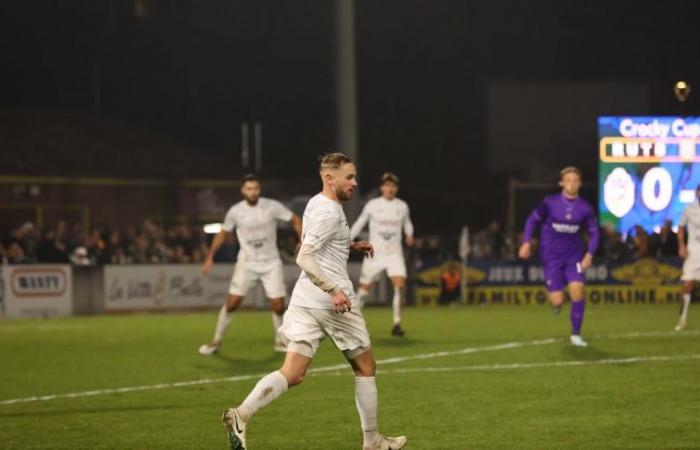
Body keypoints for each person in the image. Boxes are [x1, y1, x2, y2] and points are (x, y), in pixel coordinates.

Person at [221, 153, 406, 450]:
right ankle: (372, 442)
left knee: (292, 373)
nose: (355, 183)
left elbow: (315, 243)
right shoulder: (329, 212)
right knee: (366, 367)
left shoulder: (317, 203)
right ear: (329, 178)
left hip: (305, 299)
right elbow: (303, 255)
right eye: (350, 177)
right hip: (331, 302)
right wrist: (333, 289)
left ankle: (241, 414)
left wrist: (350, 245)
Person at [198, 174, 302, 355]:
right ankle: (215, 342)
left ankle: (280, 342)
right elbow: (223, 232)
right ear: (242, 190)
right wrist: (210, 257)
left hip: (271, 262)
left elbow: (295, 219)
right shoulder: (235, 211)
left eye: (255, 189)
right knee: (232, 304)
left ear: (259, 190)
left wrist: (303, 240)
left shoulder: (271, 206)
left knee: (278, 304)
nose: (253, 192)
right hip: (247, 263)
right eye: (249, 189)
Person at [518, 166, 599, 347]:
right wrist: (526, 242)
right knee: (557, 299)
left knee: (577, 289)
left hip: (574, 256)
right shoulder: (550, 202)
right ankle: (555, 303)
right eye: (568, 180)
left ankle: (576, 335)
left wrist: (589, 254)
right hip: (551, 255)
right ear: (561, 183)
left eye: (575, 180)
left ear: (580, 183)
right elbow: (532, 220)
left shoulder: (585, 208)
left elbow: (594, 233)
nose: (571, 183)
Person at [350, 172, 414, 336]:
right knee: (364, 289)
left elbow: (407, 223)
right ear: (382, 188)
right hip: (375, 253)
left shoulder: (402, 206)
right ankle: (351, 323)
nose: (390, 188)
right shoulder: (372, 205)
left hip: (394, 253)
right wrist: (348, 239)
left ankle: (397, 323)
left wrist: (409, 234)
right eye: (387, 185)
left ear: (396, 188)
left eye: (392, 186)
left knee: (399, 286)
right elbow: (360, 222)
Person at [675, 185, 700, 331]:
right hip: (693, 252)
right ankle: (682, 319)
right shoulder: (689, 209)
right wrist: (681, 246)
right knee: (687, 284)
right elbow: (681, 228)